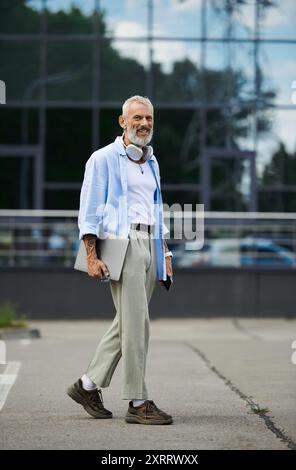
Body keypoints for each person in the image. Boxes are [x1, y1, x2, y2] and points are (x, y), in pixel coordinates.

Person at [67, 95, 174, 425]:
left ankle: (86, 386)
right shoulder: (103, 159)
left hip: (150, 243)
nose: (144, 124)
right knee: (137, 324)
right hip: (121, 244)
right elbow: (89, 210)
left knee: (128, 321)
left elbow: (157, 209)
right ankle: (137, 401)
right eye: (137, 118)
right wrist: (91, 255)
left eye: (149, 119)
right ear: (122, 121)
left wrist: (165, 254)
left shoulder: (151, 162)